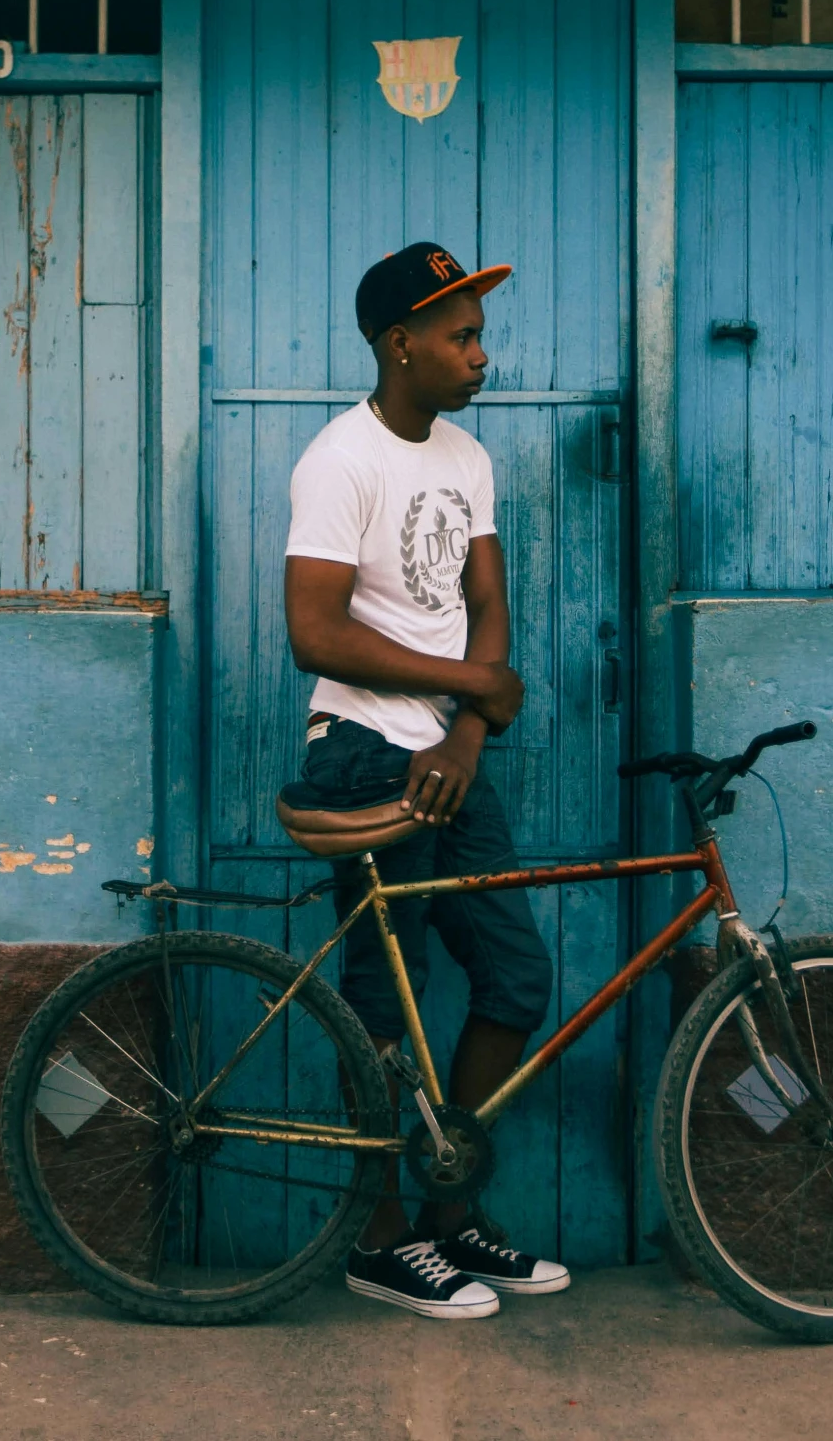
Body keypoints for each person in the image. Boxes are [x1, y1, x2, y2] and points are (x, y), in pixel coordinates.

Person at [282, 242, 572, 1321]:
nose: (479, 353)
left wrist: (463, 734)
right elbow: (314, 630)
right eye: (460, 335)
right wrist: (471, 687)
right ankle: (377, 1239)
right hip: (359, 749)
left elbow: (486, 603)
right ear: (400, 343)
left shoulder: (466, 459)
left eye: (478, 333)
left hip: (446, 755)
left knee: (510, 978)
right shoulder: (340, 460)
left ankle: (451, 1213)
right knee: (377, 1003)